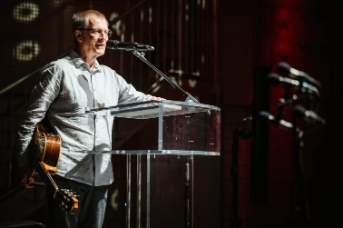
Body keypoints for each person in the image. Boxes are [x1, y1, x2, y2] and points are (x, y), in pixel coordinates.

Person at [15, 9, 164, 228]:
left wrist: (163, 104)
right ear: (79, 35)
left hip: (101, 176)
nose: (104, 37)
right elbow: (30, 119)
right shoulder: (59, 71)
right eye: (97, 32)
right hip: (65, 173)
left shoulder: (110, 76)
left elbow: (137, 99)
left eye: (106, 32)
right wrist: (23, 164)